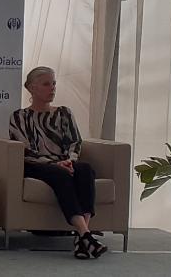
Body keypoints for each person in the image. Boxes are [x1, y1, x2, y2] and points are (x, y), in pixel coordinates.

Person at [8, 66, 107, 259]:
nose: (52, 88)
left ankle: (83, 235)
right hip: (36, 165)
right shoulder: (19, 117)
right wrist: (53, 163)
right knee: (60, 174)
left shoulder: (64, 113)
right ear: (32, 88)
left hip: (64, 162)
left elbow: (75, 142)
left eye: (53, 83)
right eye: (46, 84)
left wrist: (70, 160)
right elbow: (25, 150)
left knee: (85, 169)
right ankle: (85, 236)